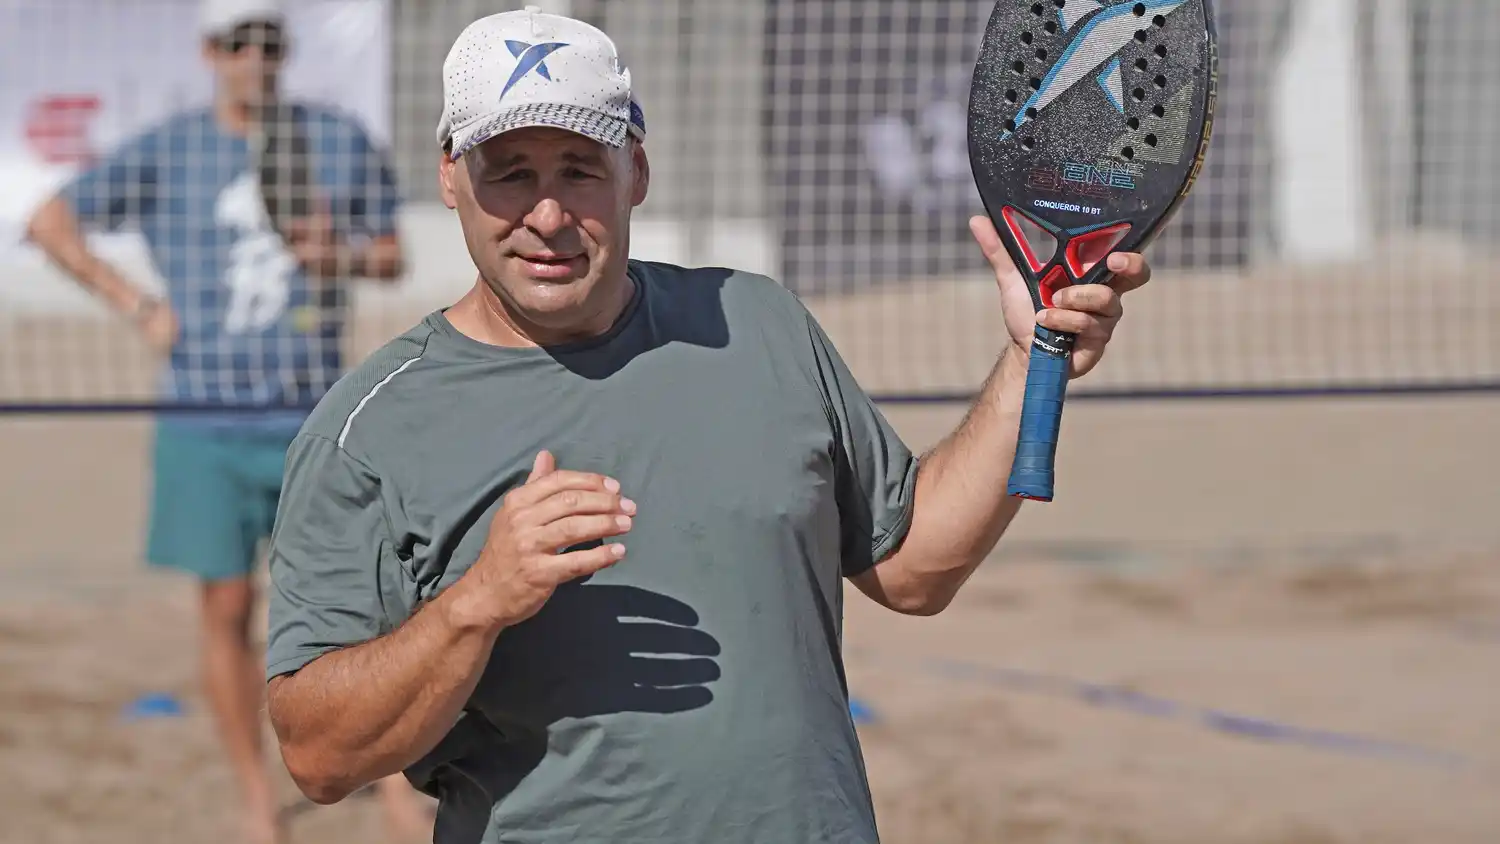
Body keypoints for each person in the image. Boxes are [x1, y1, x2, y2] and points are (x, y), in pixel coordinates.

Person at [262, 6, 1153, 843]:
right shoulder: (369, 432)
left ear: (636, 173)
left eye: (579, 170)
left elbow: (915, 567)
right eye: (511, 175)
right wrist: (477, 605)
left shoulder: (757, 322)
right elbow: (319, 757)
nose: (546, 215)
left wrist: (1034, 356)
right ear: (451, 179)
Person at [24, 1, 431, 842]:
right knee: (225, 610)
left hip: (312, 418)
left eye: (269, 41)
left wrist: (341, 255)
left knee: (362, 612)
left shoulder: (333, 136)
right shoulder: (171, 146)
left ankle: (393, 785)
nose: (255, 55)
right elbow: (48, 221)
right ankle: (256, 797)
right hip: (202, 417)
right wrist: (137, 305)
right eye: (238, 41)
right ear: (210, 51)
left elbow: (393, 254)